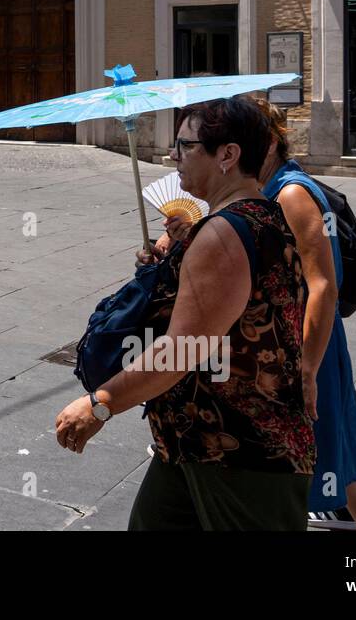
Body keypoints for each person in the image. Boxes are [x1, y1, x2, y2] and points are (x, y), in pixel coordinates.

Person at [54, 96, 314, 530]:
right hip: (192, 441)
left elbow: (183, 350)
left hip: (239, 451)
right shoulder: (259, 216)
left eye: (186, 146)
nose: (172, 156)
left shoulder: (224, 234)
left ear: (228, 155)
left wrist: (100, 404)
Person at [254, 98, 356, 531]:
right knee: (339, 473)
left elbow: (323, 287)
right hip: (302, 349)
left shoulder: (291, 193)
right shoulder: (268, 189)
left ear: (270, 143)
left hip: (307, 349)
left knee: (321, 471)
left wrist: (307, 370)